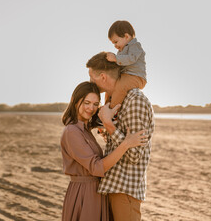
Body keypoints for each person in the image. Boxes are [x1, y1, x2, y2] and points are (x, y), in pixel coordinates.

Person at [60, 81, 149, 221]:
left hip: (96, 192)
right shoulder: (72, 131)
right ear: (74, 101)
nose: (91, 108)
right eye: (86, 102)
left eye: (95, 104)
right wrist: (125, 144)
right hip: (84, 194)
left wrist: (108, 118)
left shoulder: (85, 129)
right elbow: (96, 167)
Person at [87, 52, 155, 221]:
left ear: (102, 77)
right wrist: (108, 131)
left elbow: (134, 155)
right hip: (115, 186)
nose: (90, 82)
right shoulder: (117, 101)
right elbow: (122, 143)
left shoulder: (135, 100)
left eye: (91, 77)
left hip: (125, 189)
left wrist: (109, 125)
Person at [105, 20, 147, 109]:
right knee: (110, 87)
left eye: (116, 42)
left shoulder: (135, 46)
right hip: (125, 76)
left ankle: (113, 112)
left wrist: (115, 58)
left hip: (136, 76)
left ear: (126, 36)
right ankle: (105, 107)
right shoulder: (121, 50)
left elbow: (131, 58)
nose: (115, 46)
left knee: (121, 88)